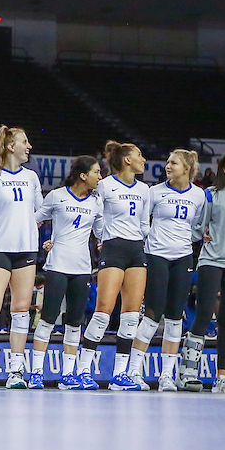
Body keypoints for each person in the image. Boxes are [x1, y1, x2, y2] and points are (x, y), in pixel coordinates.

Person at [126, 149, 206, 392]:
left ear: (187, 168)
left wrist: (200, 236)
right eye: (168, 161)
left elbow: (198, 225)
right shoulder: (155, 192)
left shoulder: (198, 195)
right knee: (152, 314)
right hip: (156, 256)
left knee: (175, 317)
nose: (168, 166)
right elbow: (142, 222)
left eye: (174, 163)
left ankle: (166, 376)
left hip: (183, 257)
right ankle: (133, 371)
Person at [176, 151, 225, 394]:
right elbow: (199, 226)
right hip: (211, 260)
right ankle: (187, 373)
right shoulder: (210, 194)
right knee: (203, 315)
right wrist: (200, 235)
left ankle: (222, 378)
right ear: (223, 168)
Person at [0, 125, 45, 388]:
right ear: (10, 146)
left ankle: (16, 371)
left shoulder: (31, 177)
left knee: (21, 310)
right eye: (24, 142)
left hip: (26, 249)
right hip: (0, 248)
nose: (29, 147)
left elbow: (41, 210)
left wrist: (29, 226)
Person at [29, 156, 104, 389]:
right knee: (48, 318)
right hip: (57, 265)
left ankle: (68, 375)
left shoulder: (97, 202)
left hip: (82, 268)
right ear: (83, 175)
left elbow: (101, 233)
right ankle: (36, 373)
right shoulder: (57, 196)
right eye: (96, 172)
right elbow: (34, 220)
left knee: (74, 322)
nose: (100, 177)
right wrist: (43, 241)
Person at [86, 140, 151, 391]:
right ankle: (83, 370)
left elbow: (144, 224)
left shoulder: (144, 189)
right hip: (113, 248)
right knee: (103, 312)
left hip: (136, 250)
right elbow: (96, 216)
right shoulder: (105, 185)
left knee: (131, 315)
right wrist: (103, 238)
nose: (143, 159)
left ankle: (120, 375)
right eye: (139, 155)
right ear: (127, 160)